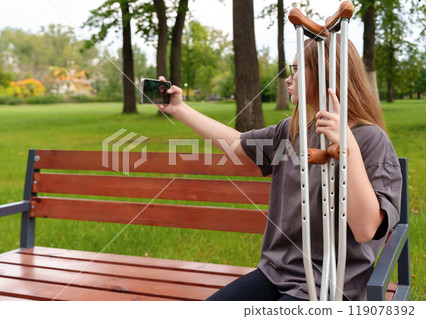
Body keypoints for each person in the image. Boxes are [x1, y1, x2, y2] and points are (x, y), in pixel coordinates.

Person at [155, 35, 402, 301]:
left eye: (296, 69)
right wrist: (179, 109)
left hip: (331, 285)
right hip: (276, 273)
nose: (288, 78)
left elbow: (366, 229)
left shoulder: (372, 139)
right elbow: (238, 143)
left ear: (325, 73)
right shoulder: (293, 130)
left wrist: (347, 148)